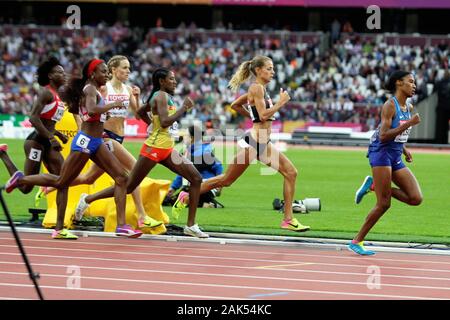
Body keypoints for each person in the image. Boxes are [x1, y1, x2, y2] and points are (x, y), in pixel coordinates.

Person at [4, 58, 142, 239]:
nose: (107, 75)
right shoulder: (90, 88)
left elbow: (89, 112)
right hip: (85, 142)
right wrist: (112, 105)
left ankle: (121, 226)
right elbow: (92, 110)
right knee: (62, 182)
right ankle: (22, 181)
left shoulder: (91, 89)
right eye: (103, 72)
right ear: (93, 74)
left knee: (122, 178)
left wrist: (104, 111)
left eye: (107, 72)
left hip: (96, 142)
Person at [172, 55, 310, 232]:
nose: (273, 71)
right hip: (254, 144)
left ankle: (288, 219)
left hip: (263, 143)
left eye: (273, 68)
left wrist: (254, 117)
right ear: (258, 70)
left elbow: (236, 105)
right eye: (269, 68)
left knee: (291, 173)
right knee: (226, 180)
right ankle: (187, 194)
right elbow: (263, 115)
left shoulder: (260, 89)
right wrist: (280, 103)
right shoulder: (256, 88)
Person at [74, 67, 208, 238]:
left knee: (195, 178)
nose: (175, 82)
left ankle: (191, 225)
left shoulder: (160, 96)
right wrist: (184, 108)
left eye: (174, 79)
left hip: (166, 149)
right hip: (153, 149)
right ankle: (88, 199)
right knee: (128, 186)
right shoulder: (160, 96)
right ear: (161, 81)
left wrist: (152, 125)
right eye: (171, 79)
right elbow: (166, 122)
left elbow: (139, 112)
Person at [36, 55, 162, 229]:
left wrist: (138, 98)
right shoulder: (104, 88)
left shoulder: (127, 90)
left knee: (88, 178)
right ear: (113, 70)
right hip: (105, 136)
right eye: (124, 68)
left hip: (119, 137)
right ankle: (141, 216)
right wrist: (84, 125)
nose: (128, 71)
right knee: (132, 172)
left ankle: (58, 187)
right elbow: (87, 107)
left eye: (129, 68)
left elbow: (137, 113)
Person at [0, 57, 74, 238]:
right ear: (50, 76)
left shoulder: (58, 95)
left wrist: (57, 134)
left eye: (64, 71)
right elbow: (33, 118)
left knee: (64, 180)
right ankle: (4, 157)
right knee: (26, 190)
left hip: (48, 142)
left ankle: (59, 229)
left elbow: (48, 121)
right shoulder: (45, 93)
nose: (63, 74)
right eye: (59, 72)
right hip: (36, 142)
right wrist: (51, 136)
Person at [351, 70, 422, 255]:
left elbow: (398, 134)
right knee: (384, 204)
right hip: (381, 153)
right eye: (411, 82)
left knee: (415, 198)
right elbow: (383, 136)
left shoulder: (409, 106)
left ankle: (373, 186)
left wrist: (405, 150)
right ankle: (357, 241)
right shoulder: (389, 106)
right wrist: (409, 124)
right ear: (399, 83)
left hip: (395, 154)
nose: (414, 85)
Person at [165, 125, 224, 208]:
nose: (184, 137)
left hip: (207, 186)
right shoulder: (186, 152)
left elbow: (218, 166)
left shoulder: (204, 151)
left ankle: (207, 203)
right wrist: (173, 188)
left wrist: (219, 185)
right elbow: (182, 172)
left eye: (186, 135)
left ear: (192, 138)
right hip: (192, 186)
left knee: (179, 199)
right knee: (168, 201)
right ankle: (206, 204)